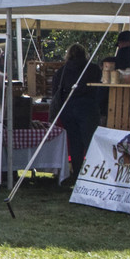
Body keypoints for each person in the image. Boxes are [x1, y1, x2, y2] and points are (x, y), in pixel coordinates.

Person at [51, 43, 95, 184]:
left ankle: (77, 174)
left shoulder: (62, 70)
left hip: (68, 110)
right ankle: (93, 173)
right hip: (88, 108)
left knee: (75, 144)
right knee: (90, 143)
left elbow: (55, 91)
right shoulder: (93, 69)